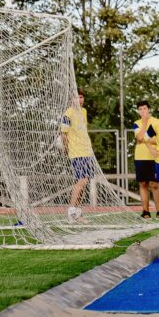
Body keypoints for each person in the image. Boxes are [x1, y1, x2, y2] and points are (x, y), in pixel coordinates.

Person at [61, 89, 95, 222]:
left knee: (84, 182)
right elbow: (63, 133)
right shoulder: (68, 113)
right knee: (81, 181)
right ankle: (71, 211)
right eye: (76, 97)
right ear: (72, 100)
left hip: (86, 151)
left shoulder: (84, 111)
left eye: (81, 97)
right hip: (76, 152)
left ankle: (78, 213)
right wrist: (66, 148)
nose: (79, 100)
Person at [133, 100, 159, 219]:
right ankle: (145, 212)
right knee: (143, 184)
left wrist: (145, 139)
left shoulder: (157, 122)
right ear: (138, 111)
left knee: (155, 184)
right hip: (140, 157)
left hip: (154, 157)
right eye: (140, 109)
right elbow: (140, 137)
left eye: (145, 108)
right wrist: (145, 122)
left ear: (149, 109)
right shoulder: (136, 123)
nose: (143, 111)